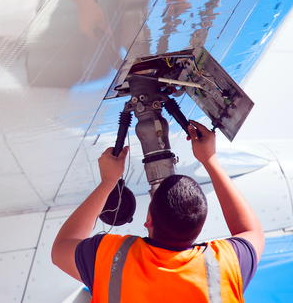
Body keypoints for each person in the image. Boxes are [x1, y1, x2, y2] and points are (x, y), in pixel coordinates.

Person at [52, 120, 265, 302]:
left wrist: (108, 181)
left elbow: (62, 246)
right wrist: (211, 162)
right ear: (198, 228)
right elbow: (251, 231)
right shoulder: (224, 267)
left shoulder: (111, 258)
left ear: (148, 220)